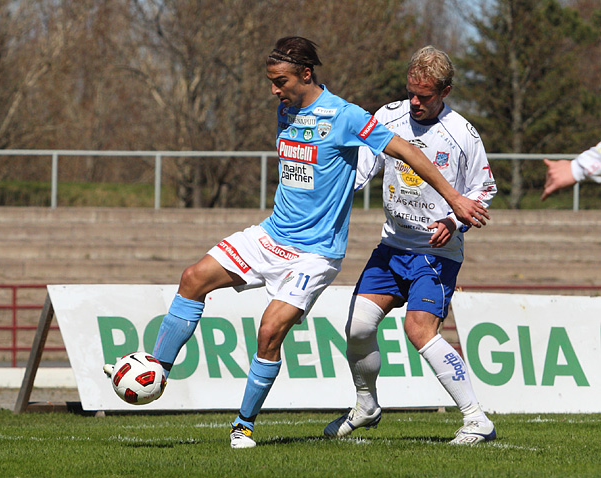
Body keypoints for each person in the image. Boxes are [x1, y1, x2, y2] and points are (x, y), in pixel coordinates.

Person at [149, 37, 488, 449]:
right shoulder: (288, 108)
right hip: (276, 235)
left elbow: (406, 154)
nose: (274, 90)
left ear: (306, 74)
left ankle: (243, 426)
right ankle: (155, 371)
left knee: (272, 328)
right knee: (192, 278)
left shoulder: (347, 116)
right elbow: (338, 168)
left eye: (280, 80)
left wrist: (454, 204)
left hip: (321, 253)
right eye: (273, 81)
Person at [324, 46, 497, 445]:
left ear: (446, 91)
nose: (415, 102)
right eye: (411, 93)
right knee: (358, 326)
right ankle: (366, 405)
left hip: (436, 252)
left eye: (425, 96)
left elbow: (483, 189)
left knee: (418, 329)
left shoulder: (463, 135)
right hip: (392, 246)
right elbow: (365, 164)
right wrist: (335, 192)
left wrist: (454, 221)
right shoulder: (388, 117)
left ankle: (476, 419)